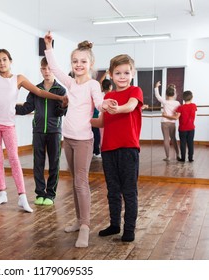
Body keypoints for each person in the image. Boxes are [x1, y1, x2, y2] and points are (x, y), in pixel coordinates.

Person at [0, 23, 68, 213]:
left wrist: (59, 97)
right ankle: (2, 192)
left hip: (8, 125)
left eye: (4, 60)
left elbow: (39, 93)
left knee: (14, 159)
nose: (1, 63)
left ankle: (22, 197)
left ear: (10, 61)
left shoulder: (18, 79)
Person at [44, 32, 111, 247]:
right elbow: (54, 68)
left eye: (83, 61)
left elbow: (99, 103)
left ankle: (85, 226)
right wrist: (48, 45)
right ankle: (79, 220)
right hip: (69, 139)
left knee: (81, 182)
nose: (78, 64)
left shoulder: (92, 85)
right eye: (75, 61)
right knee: (75, 182)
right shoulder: (71, 84)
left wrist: (106, 106)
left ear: (90, 63)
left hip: (83, 141)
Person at [91, 54, 143, 242]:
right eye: (118, 73)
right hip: (108, 150)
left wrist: (116, 109)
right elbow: (102, 122)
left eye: (126, 72)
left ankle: (129, 229)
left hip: (128, 149)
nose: (122, 76)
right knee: (113, 190)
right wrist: (81, 119)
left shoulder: (135, 91)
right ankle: (114, 225)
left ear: (132, 73)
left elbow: (129, 107)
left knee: (129, 191)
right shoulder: (108, 96)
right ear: (111, 75)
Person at [15, 57, 67, 206]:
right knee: (38, 163)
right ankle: (40, 193)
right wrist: (8, 106)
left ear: (54, 70)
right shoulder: (35, 89)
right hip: (38, 131)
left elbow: (60, 112)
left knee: (54, 163)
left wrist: (63, 105)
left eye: (49, 68)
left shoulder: (61, 90)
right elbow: (26, 108)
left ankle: (50, 194)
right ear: (41, 70)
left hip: (54, 132)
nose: (47, 71)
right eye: (44, 69)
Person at [163, 90, 197, 162]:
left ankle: (183, 158)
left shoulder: (181, 108)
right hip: (191, 128)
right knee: (190, 143)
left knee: (183, 144)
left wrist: (165, 115)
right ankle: (190, 158)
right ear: (191, 98)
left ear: (183, 99)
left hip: (183, 129)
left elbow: (176, 117)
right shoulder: (194, 106)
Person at [154, 81, 181, 161]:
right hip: (172, 123)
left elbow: (157, 96)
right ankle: (178, 155)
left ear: (166, 94)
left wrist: (156, 87)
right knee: (173, 139)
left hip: (164, 122)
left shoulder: (165, 101)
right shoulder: (177, 103)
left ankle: (168, 157)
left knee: (166, 139)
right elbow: (177, 113)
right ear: (174, 94)